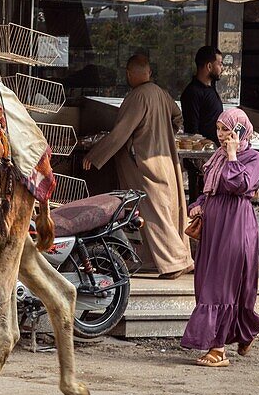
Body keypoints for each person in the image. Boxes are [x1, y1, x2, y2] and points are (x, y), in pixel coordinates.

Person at [82, 55, 193, 278]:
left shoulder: (138, 96)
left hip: (145, 164)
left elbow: (121, 133)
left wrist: (95, 155)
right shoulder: (161, 93)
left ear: (130, 74)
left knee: (153, 211)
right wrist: (164, 135)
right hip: (165, 160)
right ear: (149, 72)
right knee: (168, 209)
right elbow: (177, 116)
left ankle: (174, 262)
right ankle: (174, 259)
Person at [180, 108, 259, 367]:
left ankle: (218, 349)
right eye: (219, 129)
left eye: (227, 130)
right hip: (215, 228)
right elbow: (212, 189)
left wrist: (232, 155)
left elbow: (240, 185)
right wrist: (199, 204)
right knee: (206, 280)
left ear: (240, 131)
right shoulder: (217, 157)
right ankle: (243, 332)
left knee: (220, 284)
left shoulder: (252, 157)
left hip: (235, 228)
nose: (221, 135)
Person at [181, 46, 224, 142]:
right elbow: (192, 131)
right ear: (209, 66)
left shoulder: (210, 89)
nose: (222, 68)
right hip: (205, 153)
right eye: (220, 64)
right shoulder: (192, 92)